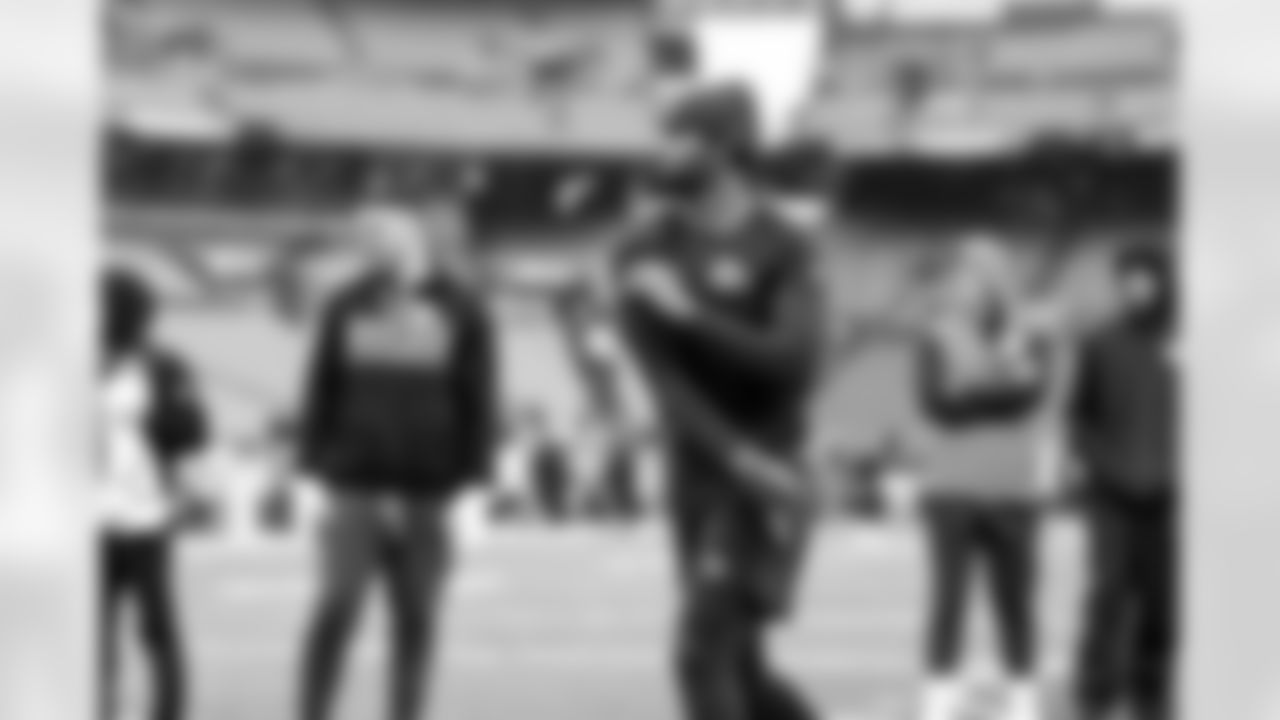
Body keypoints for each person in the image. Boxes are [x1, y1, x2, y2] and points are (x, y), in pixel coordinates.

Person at [615, 82, 825, 720]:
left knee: (699, 654)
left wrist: (692, 314)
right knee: (739, 665)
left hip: (773, 472)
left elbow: (793, 361)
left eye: (679, 138)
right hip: (702, 471)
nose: (662, 153)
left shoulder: (786, 243)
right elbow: (664, 381)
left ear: (726, 148)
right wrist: (733, 456)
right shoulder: (640, 247)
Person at [293, 200, 497, 720]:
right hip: (354, 483)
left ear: (410, 241)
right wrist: (308, 474)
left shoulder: (463, 306)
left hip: (431, 489)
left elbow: (479, 399)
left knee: (417, 617)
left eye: (378, 243)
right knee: (337, 605)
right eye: (363, 246)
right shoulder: (346, 302)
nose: (369, 255)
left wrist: (476, 487)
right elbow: (322, 389)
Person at [904, 235, 1064, 720]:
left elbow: (1030, 399)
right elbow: (937, 405)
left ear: (1001, 276)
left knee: (1016, 601)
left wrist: (972, 385)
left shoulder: (1033, 332)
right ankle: (938, 697)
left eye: (983, 271)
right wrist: (999, 378)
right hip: (949, 486)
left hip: (1014, 488)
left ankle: (1022, 696)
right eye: (965, 272)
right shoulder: (935, 333)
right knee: (947, 600)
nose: (972, 282)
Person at [1069, 245, 1178, 720]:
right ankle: (1094, 695)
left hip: (1172, 497)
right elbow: (1078, 414)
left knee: (1162, 600)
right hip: (1111, 493)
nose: (1136, 286)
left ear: (1163, 280)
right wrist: (1096, 462)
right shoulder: (1100, 342)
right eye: (1127, 278)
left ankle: (1150, 694)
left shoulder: (1190, 339)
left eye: (1145, 276)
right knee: (1107, 592)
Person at [98, 267, 209, 720]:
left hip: (146, 517)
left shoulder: (165, 367)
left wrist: (150, 410)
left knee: (158, 630)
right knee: (92, 638)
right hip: (88, 521)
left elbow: (193, 432)